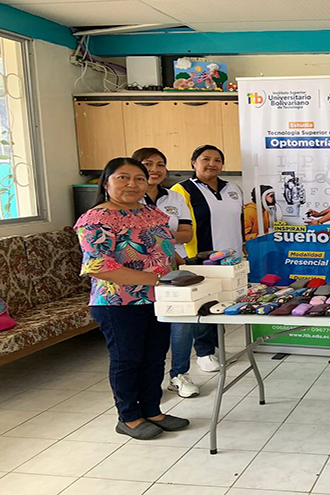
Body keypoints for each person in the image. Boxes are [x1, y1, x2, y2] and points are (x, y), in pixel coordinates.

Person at [75, 157, 189, 440]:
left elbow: (164, 248)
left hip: (160, 298)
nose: (132, 184)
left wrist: (182, 269)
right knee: (127, 359)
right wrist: (157, 279)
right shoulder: (96, 219)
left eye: (139, 178)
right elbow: (99, 265)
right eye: (122, 178)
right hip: (118, 303)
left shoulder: (150, 212)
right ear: (106, 182)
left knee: (155, 356)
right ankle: (128, 417)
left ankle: (152, 410)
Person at [171, 145, 244, 376]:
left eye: (217, 160)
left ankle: (216, 348)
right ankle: (203, 353)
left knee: (224, 303)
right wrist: (180, 259)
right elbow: (175, 227)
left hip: (232, 260)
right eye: (205, 159)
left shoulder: (233, 188)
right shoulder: (180, 190)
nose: (212, 163)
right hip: (199, 260)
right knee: (204, 306)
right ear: (193, 162)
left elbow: (240, 220)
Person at [132, 147, 200, 398]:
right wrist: (165, 239)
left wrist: (156, 237)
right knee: (148, 326)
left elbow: (187, 234)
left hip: (175, 269)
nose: (155, 170)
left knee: (181, 323)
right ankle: (147, 379)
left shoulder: (174, 198)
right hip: (138, 272)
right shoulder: (127, 199)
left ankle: (178, 375)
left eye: (161, 164)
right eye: (148, 164)